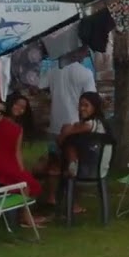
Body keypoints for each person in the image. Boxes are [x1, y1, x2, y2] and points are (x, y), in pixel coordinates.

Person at [34, 48, 96, 203]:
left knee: (54, 163)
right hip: (75, 127)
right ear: (79, 54)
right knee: (73, 164)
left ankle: (52, 198)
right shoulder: (85, 73)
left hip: (56, 123)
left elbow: (38, 85)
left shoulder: (54, 70)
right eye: (84, 53)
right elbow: (91, 98)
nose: (85, 56)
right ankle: (72, 202)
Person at [0, 93, 51, 228]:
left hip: (10, 161)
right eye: (17, 105)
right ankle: (26, 218)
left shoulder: (19, 128)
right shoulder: (0, 119)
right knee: (24, 184)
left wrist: (21, 169)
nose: (19, 108)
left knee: (28, 180)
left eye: (23, 107)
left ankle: (24, 216)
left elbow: (17, 151)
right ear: (11, 104)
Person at [52, 92, 113, 215]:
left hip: (88, 169)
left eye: (86, 105)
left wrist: (68, 130)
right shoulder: (100, 123)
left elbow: (62, 137)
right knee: (70, 144)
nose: (81, 108)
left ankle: (55, 200)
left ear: (95, 107)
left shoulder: (89, 124)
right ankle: (71, 204)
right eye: (80, 105)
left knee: (67, 145)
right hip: (99, 168)